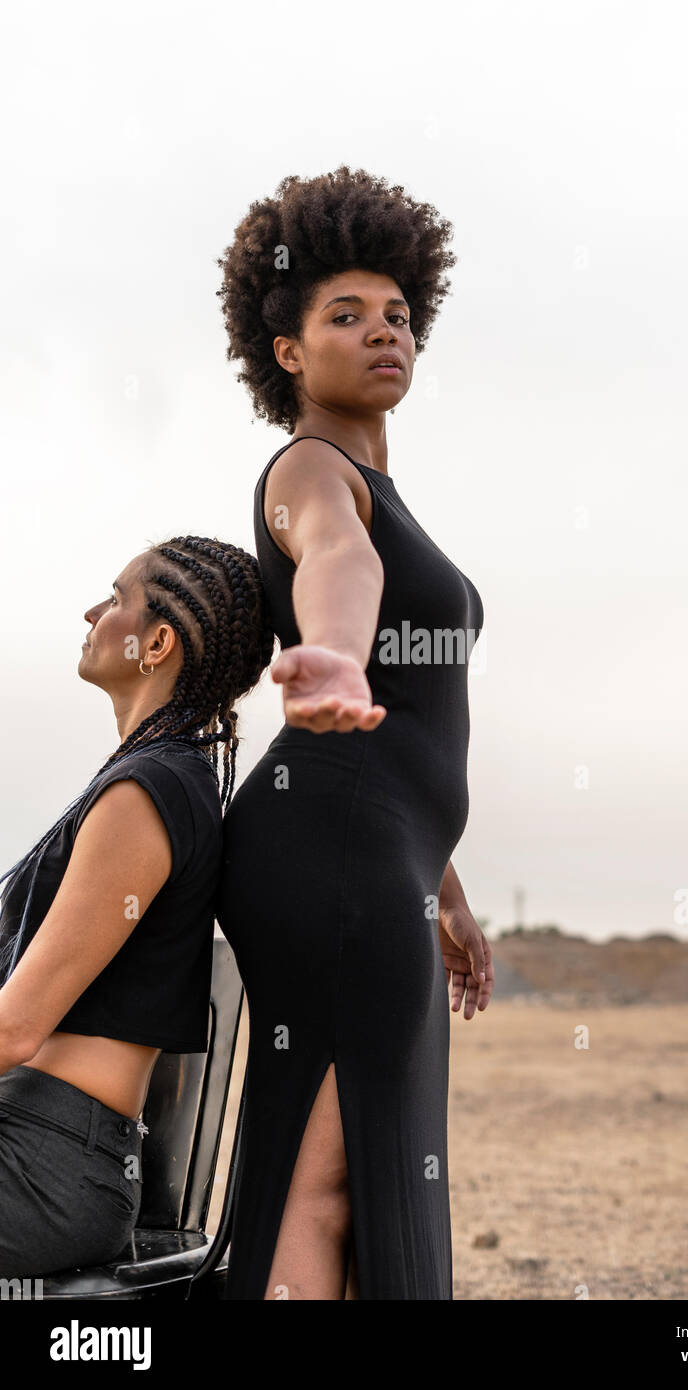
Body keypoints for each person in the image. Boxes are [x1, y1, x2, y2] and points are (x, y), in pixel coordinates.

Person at [214, 164, 494, 1301]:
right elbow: (340, 558)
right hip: (324, 850)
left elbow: (407, 734)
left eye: (398, 316)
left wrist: (441, 882)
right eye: (346, 316)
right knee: (328, 1183)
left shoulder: (385, 482)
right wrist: (328, 649)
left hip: (375, 854)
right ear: (287, 350)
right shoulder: (309, 470)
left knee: (369, 1164)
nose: (385, 335)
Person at [0, 536, 273, 1277]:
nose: (92, 611)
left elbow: (15, 1029)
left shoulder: (144, 795)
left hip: (44, 1163)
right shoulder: (159, 777)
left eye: (115, 597)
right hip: (42, 1142)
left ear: (157, 642)